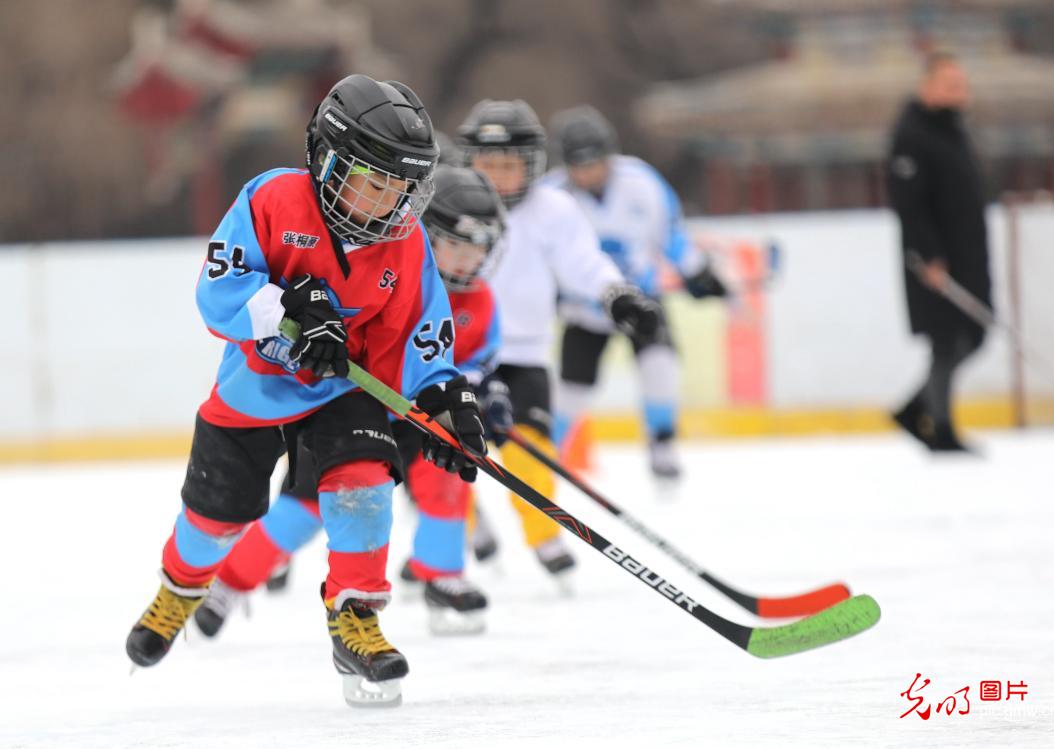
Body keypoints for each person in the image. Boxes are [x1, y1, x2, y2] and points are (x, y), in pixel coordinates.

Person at [125, 75, 488, 708]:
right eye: (375, 182)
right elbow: (219, 290)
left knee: (364, 486)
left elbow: (420, 336)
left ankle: (357, 618)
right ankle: (180, 588)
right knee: (215, 521)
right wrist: (290, 307)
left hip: (341, 392)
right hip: (256, 390)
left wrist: (442, 402)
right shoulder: (272, 198)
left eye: (402, 188)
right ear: (328, 160)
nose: (391, 204)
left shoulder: (405, 244)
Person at [191, 166, 511, 638]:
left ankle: (440, 572)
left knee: (446, 476)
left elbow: (473, 359)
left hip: (413, 414)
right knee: (303, 514)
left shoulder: (476, 300)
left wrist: (480, 395)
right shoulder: (390, 263)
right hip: (353, 412)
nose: (468, 260)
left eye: (478, 248)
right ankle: (231, 581)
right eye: (457, 245)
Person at [455, 99, 661, 580]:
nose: (497, 177)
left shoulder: (553, 208)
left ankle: (543, 536)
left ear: (532, 165)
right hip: (455, 354)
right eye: (487, 165)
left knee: (530, 449)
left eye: (509, 166)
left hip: (523, 353)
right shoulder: (448, 202)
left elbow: (583, 261)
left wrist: (616, 295)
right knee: (448, 454)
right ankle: (461, 528)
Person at [543, 106, 728, 479]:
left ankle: (662, 443)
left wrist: (697, 272)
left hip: (641, 301)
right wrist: (551, 290)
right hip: (585, 308)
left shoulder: (642, 182)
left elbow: (671, 235)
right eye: (579, 165)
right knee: (571, 390)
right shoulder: (552, 195)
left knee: (661, 367)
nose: (588, 172)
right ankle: (548, 456)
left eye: (595, 162)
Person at [887, 51, 991, 452]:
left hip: (967, 252)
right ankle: (940, 427)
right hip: (934, 258)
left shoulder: (954, 130)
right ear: (926, 86)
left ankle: (915, 410)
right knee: (947, 340)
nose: (958, 93)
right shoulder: (912, 134)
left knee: (974, 333)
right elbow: (908, 203)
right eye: (949, 85)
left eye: (961, 85)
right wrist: (926, 254)